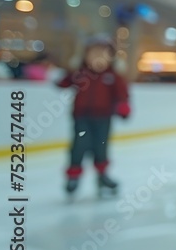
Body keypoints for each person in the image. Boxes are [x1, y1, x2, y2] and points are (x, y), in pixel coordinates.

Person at [56, 34, 131, 198]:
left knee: (101, 147)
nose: (99, 58)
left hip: (103, 118)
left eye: (104, 54)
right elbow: (65, 82)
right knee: (79, 146)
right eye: (94, 54)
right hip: (82, 117)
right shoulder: (81, 73)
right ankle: (73, 176)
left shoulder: (113, 76)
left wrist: (123, 106)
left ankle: (102, 176)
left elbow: (122, 93)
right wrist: (65, 74)